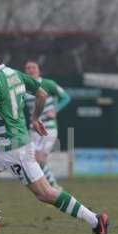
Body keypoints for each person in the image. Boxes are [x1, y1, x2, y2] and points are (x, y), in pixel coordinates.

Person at [0, 40, 109, 234]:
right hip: (3, 146)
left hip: (15, 150)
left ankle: (96, 220)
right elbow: (41, 93)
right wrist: (35, 118)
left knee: (46, 194)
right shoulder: (14, 74)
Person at [24, 60, 71, 189]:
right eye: (27, 68)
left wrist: (55, 110)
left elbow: (66, 98)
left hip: (48, 128)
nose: (30, 70)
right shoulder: (23, 88)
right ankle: (51, 185)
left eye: (33, 67)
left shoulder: (48, 84)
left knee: (39, 159)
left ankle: (52, 186)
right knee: (32, 159)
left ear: (39, 70)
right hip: (33, 129)